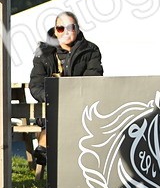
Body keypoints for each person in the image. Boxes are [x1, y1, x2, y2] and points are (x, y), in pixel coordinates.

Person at [27, 11, 104, 165]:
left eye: (71, 27)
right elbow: (36, 85)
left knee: (63, 116)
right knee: (54, 115)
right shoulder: (43, 52)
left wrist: (71, 98)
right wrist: (52, 98)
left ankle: (43, 148)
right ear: (55, 31)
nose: (66, 32)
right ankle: (47, 154)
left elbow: (92, 80)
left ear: (78, 29)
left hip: (81, 106)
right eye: (61, 28)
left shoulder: (91, 50)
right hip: (51, 105)